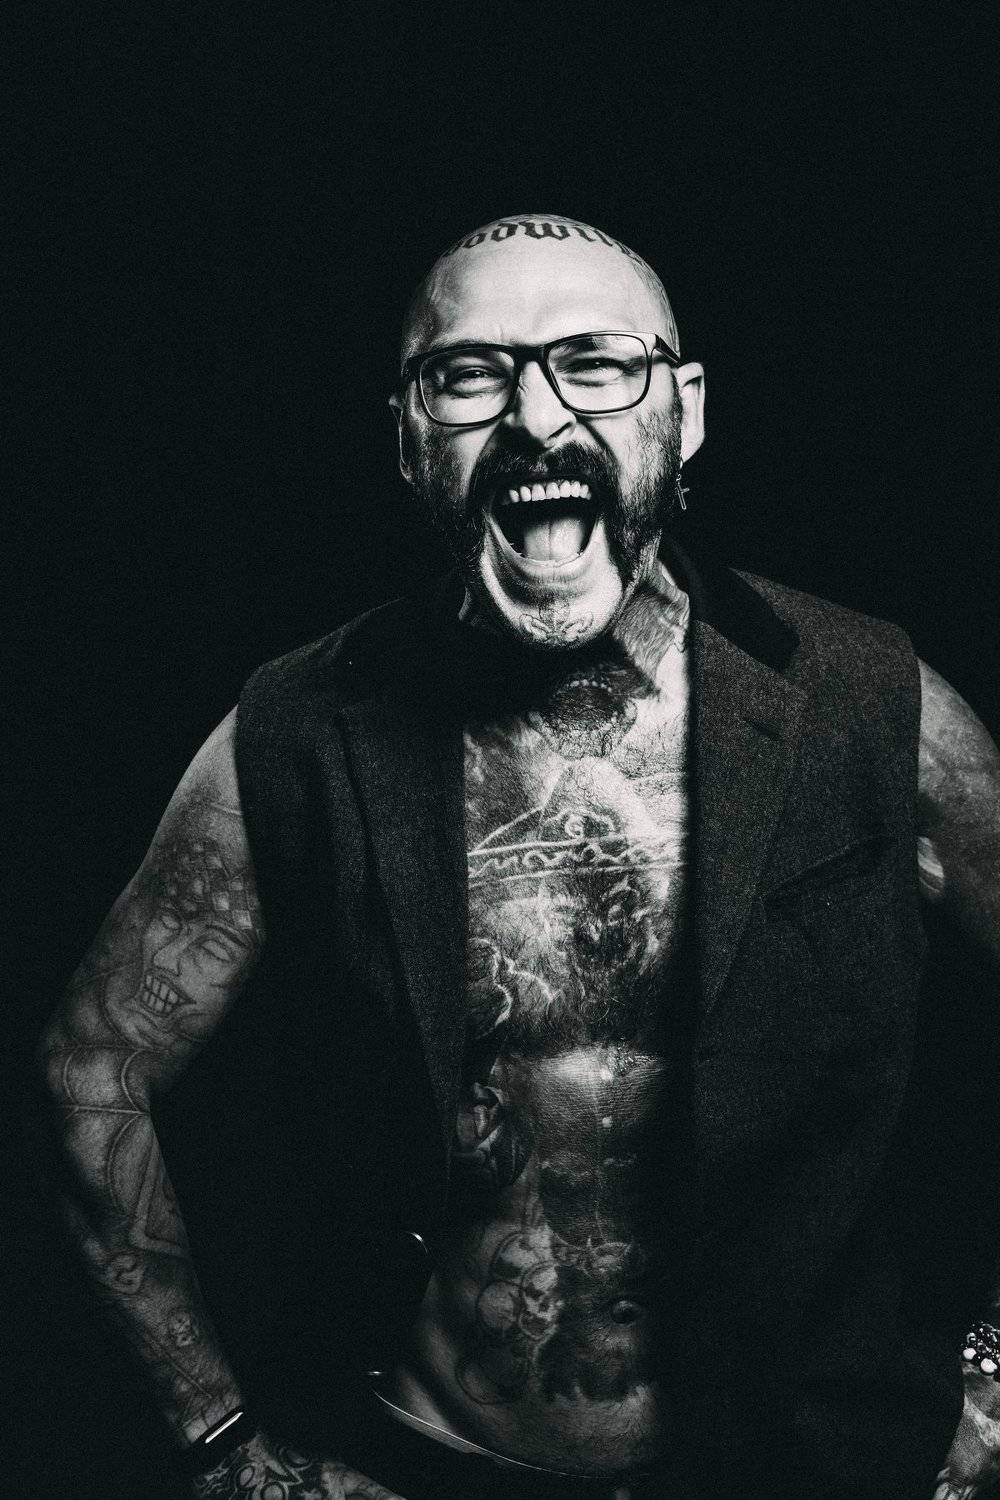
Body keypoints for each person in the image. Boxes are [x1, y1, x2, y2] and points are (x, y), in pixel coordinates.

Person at [37, 213, 1000, 1500]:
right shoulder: (295, 733)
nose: (537, 418)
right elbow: (90, 1066)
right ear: (406, 437)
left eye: (594, 362)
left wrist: (989, 1382)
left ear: (684, 414)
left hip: (803, 1460)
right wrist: (223, 1448)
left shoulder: (872, 705)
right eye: (470, 373)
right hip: (430, 1458)